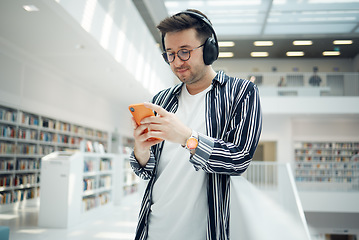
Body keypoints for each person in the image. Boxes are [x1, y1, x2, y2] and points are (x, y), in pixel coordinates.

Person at [129, 9, 262, 240]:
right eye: (170, 54)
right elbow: (146, 171)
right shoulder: (160, 100)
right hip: (153, 230)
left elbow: (239, 159)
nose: (176, 62)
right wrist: (141, 151)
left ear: (210, 50)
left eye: (184, 52)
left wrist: (187, 137)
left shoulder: (241, 93)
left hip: (204, 232)